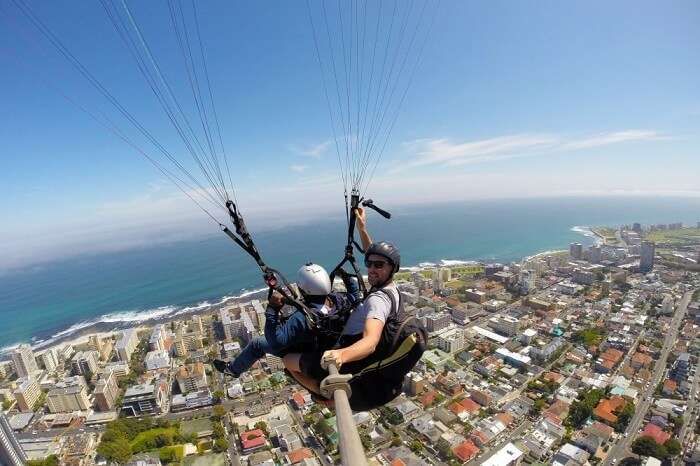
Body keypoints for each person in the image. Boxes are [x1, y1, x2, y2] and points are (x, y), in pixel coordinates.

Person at [284, 223, 425, 411]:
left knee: (287, 360)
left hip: (346, 356)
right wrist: (362, 228)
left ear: (392, 268)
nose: (372, 269)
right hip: (355, 352)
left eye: (379, 265)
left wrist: (341, 355)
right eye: (370, 264)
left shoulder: (378, 301)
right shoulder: (391, 288)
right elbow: (374, 253)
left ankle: (321, 390)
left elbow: (371, 341)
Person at [213, 262, 361, 378]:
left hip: (308, 349)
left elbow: (276, 341)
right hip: (333, 343)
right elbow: (354, 294)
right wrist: (347, 277)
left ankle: (233, 370)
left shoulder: (303, 318)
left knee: (257, 343)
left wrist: (272, 310)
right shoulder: (341, 300)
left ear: (303, 289)